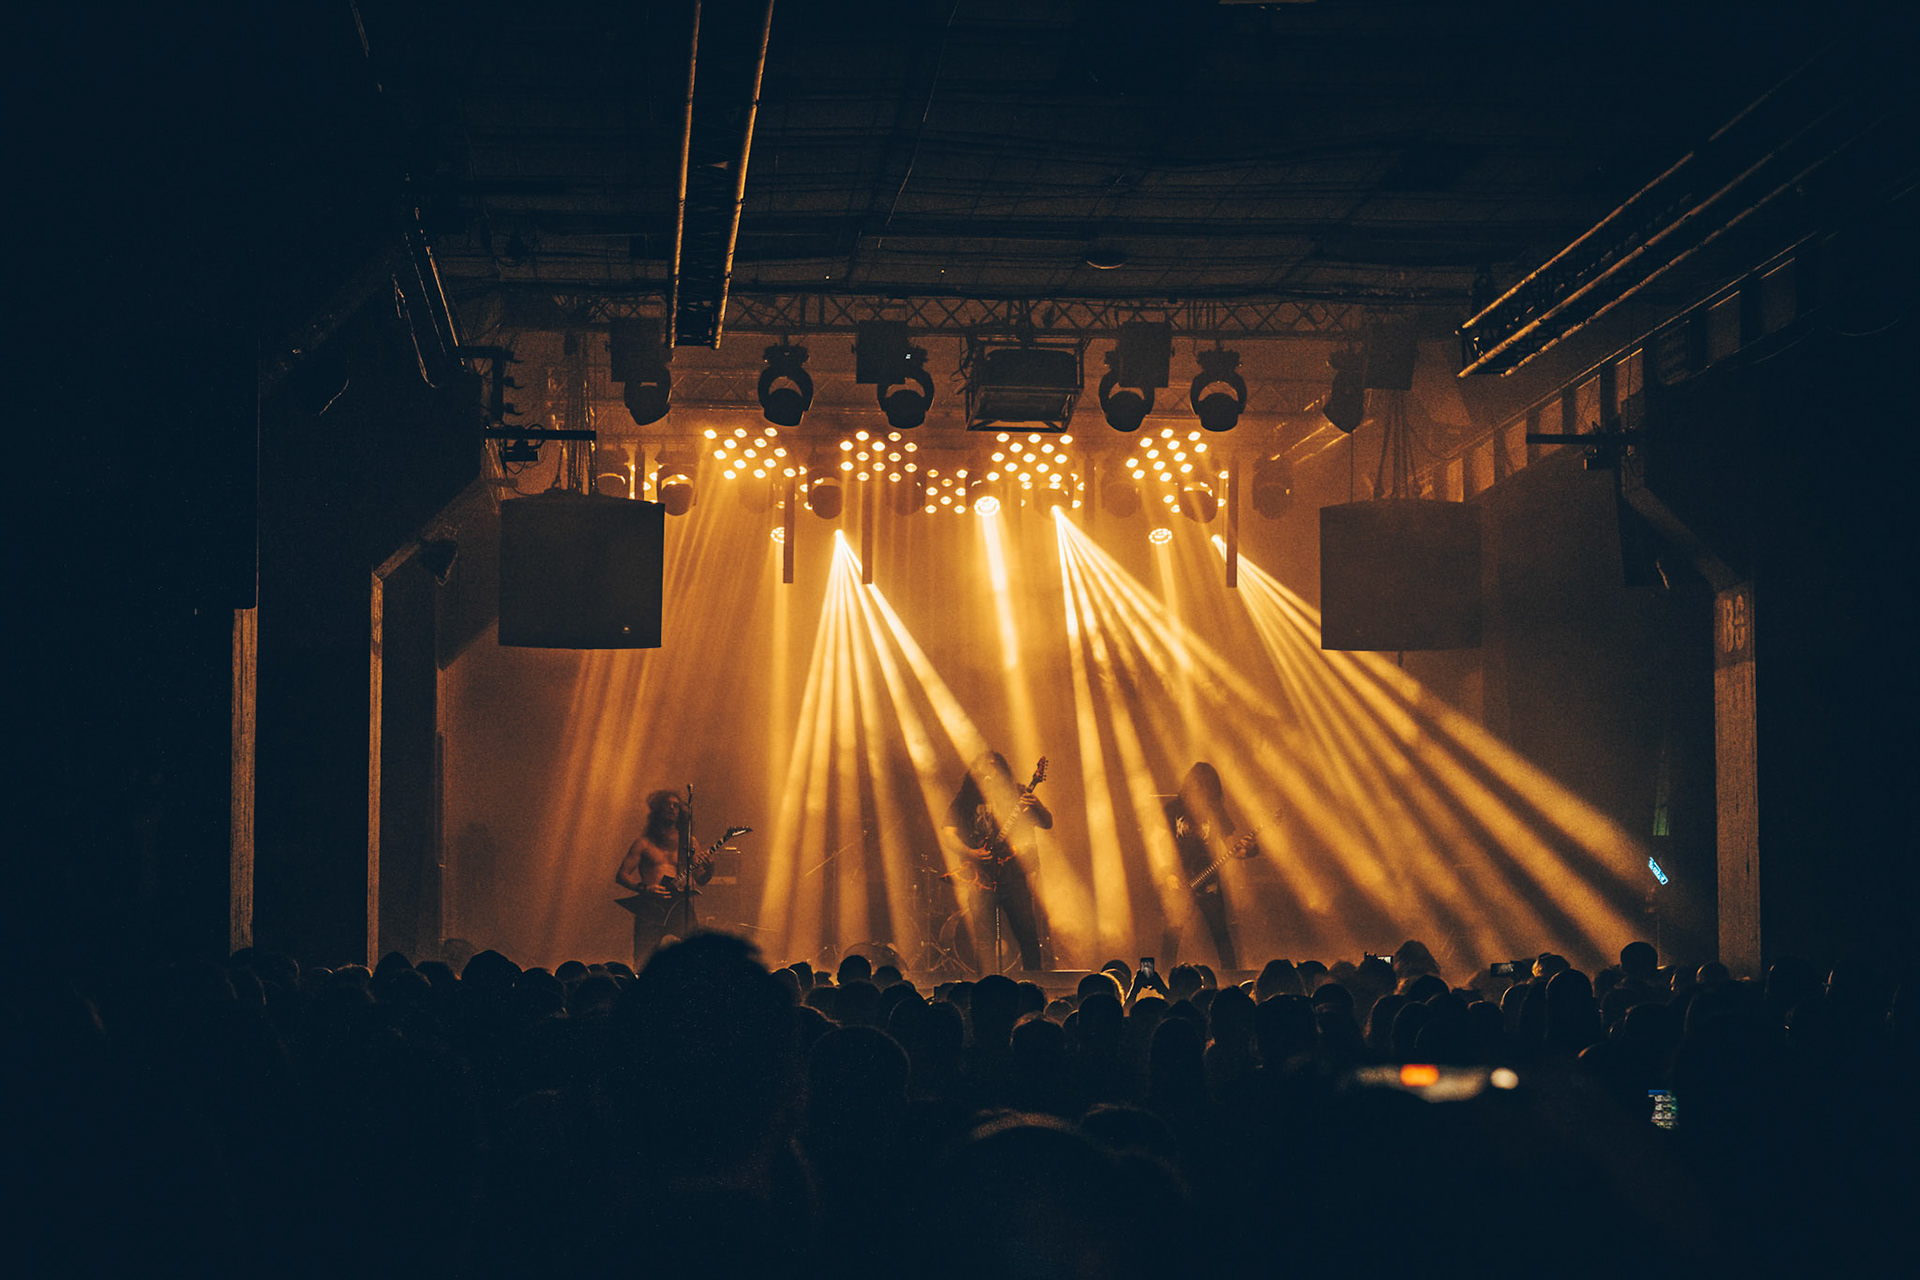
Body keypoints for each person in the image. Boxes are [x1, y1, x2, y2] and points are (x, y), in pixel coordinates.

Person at [944, 751, 1051, 972]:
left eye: (994, 764)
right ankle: (985, 988)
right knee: (984, 940)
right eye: (984, 765)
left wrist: (1037, 806)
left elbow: (1047, 823)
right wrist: (971, 853)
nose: (989, 768)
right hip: (981, 878)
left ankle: (1035, 987)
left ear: (1003, 768)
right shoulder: (966, 798)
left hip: (1014, 875)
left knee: (1027, 933)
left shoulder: (1019, 793)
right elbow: (948, 832)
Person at [1161, 762, 1256, 973]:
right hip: (1178, 879)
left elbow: (1234, 848)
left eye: (1207, 787)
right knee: (1171, 935)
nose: (1202, 791)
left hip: (1208, 881)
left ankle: (1232, 979)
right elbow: (1159, 844)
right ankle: (1162, 980)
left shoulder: (1215, 810)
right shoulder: (1173, 810)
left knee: (1220, 933)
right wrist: (1168, 875)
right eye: (1200, 785)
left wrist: (1251, 850)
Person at [615, 788, 709, 966]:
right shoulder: (643, 843)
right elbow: (621, 875)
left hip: (680, 904)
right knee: (644, 958)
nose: (672, 809)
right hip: (651, 906)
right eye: (668, 805)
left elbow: (701, 879)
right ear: (658, 810)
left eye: (676, 805)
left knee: (696, 952)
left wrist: (710, 866)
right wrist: (644, 888)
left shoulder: (689, 842)